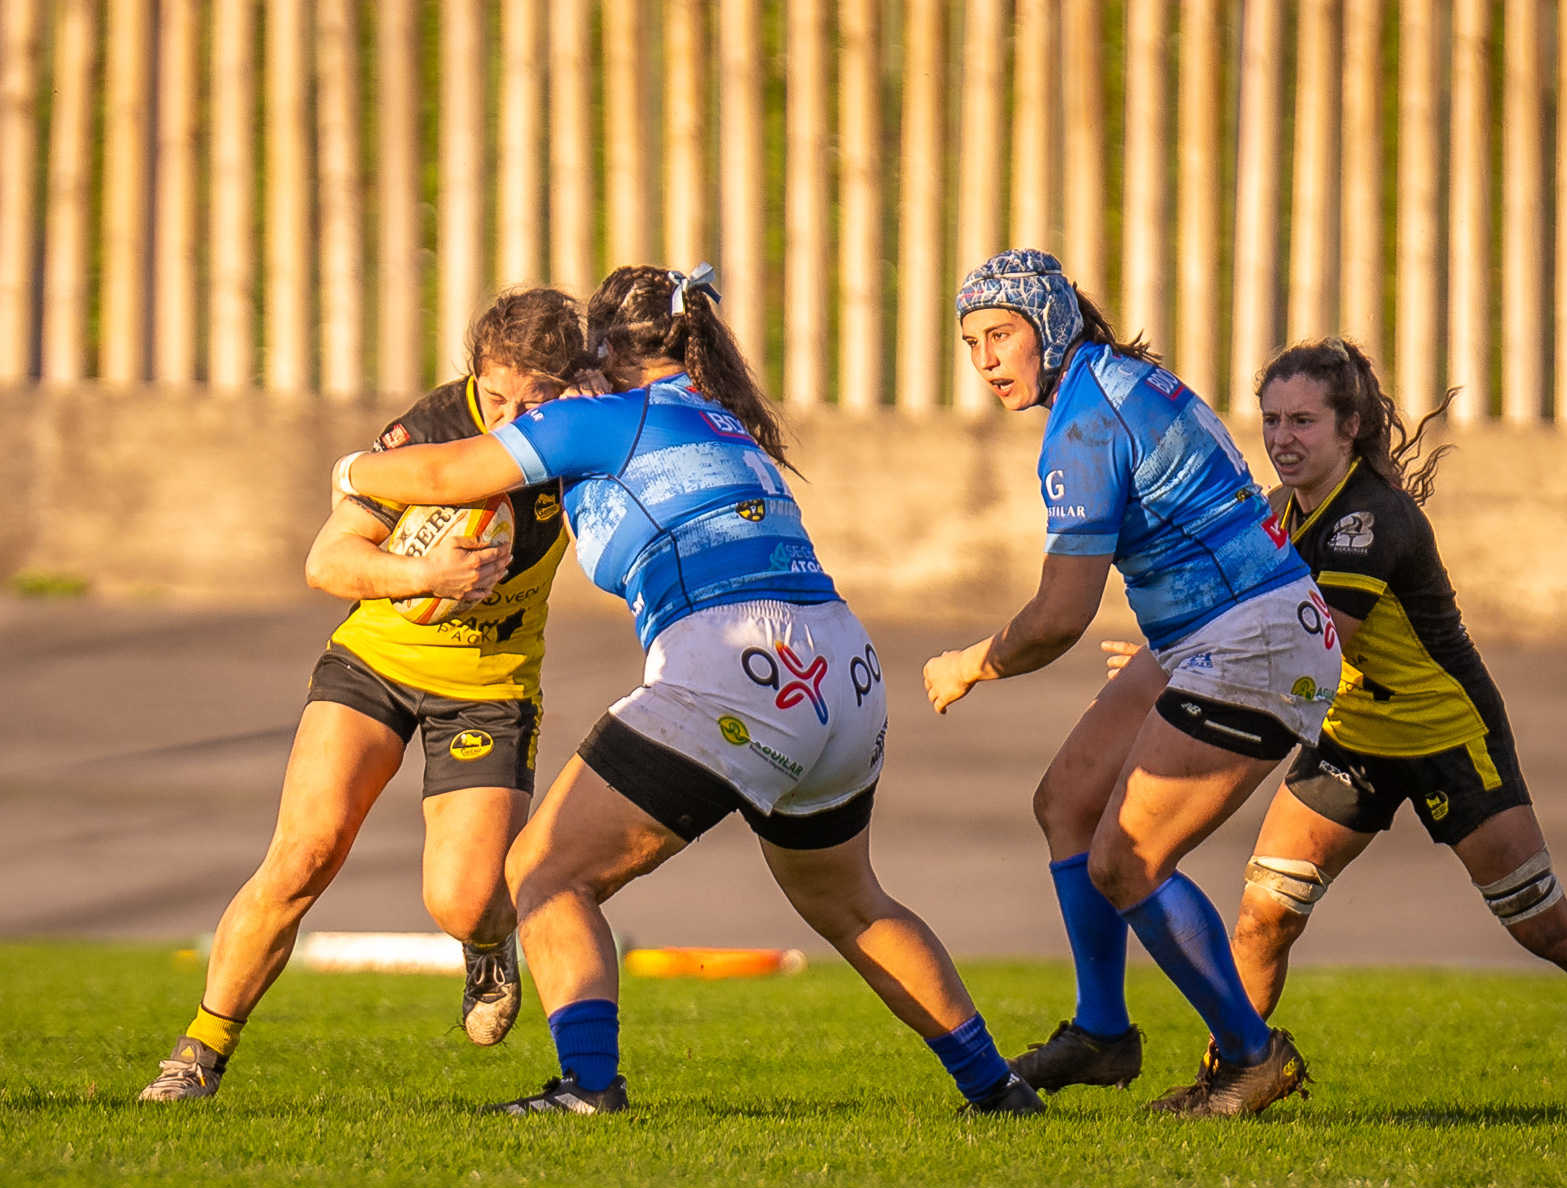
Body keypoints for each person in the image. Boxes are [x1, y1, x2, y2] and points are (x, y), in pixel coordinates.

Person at [327, 263, 1044, 1116]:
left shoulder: (599, 418)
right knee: (850, 901)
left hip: (734, 663)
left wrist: (353, 469)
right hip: (845, 668)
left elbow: (447, 477)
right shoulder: (721, 416)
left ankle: (588, 1087)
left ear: (602, 347)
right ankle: (996, 1087)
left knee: (544, 873)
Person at [1216, 337, 1567, 1117]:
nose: (1282, 437)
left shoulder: (1371, 520)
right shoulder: (1282, 512)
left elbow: (1313, 650)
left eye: (1303, 421)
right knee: (1265, 913)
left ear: (1349, 427)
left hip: (1447, 739)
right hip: (1354, 735)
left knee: (1549, 930)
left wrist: (1198, 672)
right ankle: (1229, 1078)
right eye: (1271, 420)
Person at [138, 289, 587, 1102]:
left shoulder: (587, 436)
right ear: (473, 376)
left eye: (536, 400)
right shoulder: (432, 430)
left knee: (463, 898)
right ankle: (198, 1053)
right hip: (375, 662)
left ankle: (488, 939)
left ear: (570, 385)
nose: (513, 418)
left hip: (488, 687)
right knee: (304, 852)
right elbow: (328, 560)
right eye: (497, 397)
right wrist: (425, 573)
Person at [923, 249, 1341, 1118]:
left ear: (1049, 325)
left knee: (1128, 858)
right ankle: (1102, 1032)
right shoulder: (1113, 382)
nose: (987, 360)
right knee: (1067, 802)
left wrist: (969, 663)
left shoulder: (1085, 423)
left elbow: (1059, 615)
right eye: (971, 343)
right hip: (1213, 630)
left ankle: (1252, 1056)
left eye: (1000, 335)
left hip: (1253, 638)